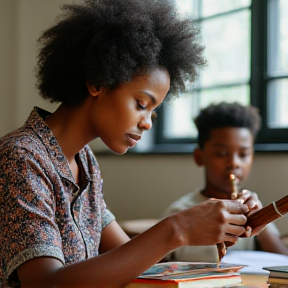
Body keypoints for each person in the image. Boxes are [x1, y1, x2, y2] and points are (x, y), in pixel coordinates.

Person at [0, 1, 263, 288]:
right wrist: (178, 228)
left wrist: (221, 221)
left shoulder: (84, 163)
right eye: (141, 104)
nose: (148, 123)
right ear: (98, 82)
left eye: (153, 111)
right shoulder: (20, 158)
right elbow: (45, 284)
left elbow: (125, 258)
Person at [162, 102, 288, 262]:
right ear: (199, 157)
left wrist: (261, 219)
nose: (234, 163)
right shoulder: (180, 211)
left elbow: (283, 260)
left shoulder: (251, 207)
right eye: (221, 153)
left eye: (243, 154)